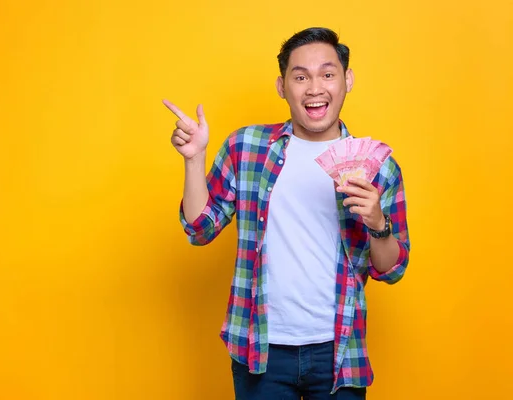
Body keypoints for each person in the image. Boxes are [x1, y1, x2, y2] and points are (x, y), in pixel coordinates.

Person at [163, 27, 410, 400]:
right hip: (260, 348)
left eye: (327, 74)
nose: (314, 88)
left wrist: (378, 225)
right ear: (282, 86)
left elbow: (392, 269)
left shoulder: (378, 168)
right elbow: (200, 229)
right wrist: (194, 160)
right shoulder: (246, 147)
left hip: (339, 352)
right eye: (300, 77)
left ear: (348, 80)